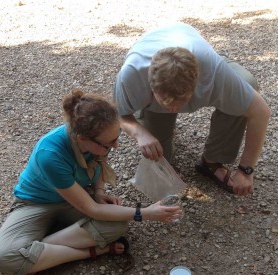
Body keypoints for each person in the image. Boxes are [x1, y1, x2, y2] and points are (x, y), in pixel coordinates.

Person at [0, 88, 181, 275]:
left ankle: (35, 252)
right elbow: (92, 210)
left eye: (117, 138)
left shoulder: (98, 139)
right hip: (36, 204)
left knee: (117, 223)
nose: (115, 146)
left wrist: (99, 191)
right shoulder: (50, 154)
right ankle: (93, 251)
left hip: (77, 198)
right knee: (2, 258)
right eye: (110, 143)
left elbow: (99, 163)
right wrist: (145, 212)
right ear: (82, 139)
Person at [113, 23, 270, 197]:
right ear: (150, 86)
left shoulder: (212, 72)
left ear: (197, 84)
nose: (174, 109)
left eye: (181, 102)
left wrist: (245, 170)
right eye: (166, 102)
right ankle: (159, 125)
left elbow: (260, 111)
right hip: (155, 65)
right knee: (159, 159)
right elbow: (119, 115)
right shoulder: (131, 75)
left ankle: (212, 161)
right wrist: (140, 133)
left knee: (247, 83)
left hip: (196, 52)